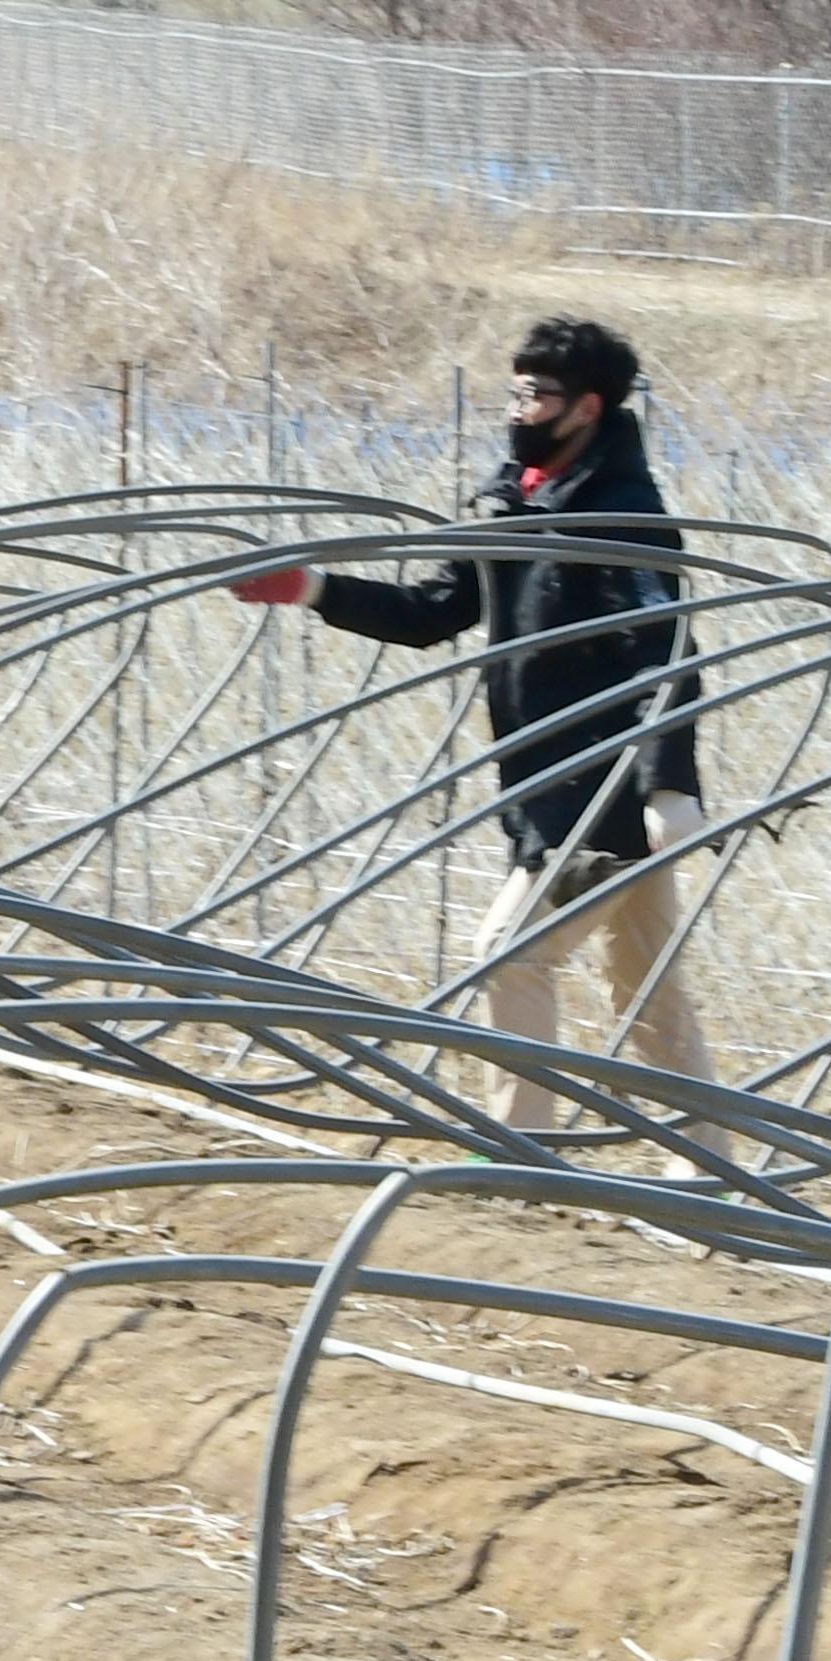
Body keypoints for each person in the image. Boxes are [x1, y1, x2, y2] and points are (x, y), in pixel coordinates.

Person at [236, 313, 710, 1095]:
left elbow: (666, 647)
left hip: (599, 788)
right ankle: (710, 1162)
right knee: (647, 984)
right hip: (549, 779)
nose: (516, 408)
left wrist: (668, 787)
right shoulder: (513, 501)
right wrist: (315, 588)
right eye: (515, 390)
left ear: (586, 409)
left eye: (534, 394)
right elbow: (432, 612)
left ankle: (519, 1153)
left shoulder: (624, 513)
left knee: (510, 951)